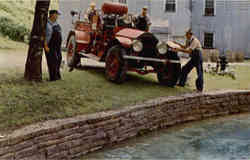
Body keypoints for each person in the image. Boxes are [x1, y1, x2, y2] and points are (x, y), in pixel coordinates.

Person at [44, 10, 62, 81]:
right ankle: (53, 78)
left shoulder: (56, 23)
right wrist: (45, 46)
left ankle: (57, 76)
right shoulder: (47, 24)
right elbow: (45, 36)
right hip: (50, 46)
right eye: (57, 14)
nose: (57, 16)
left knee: (59, 59)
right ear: (52, 15)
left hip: (57, 46)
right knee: (52, 62)